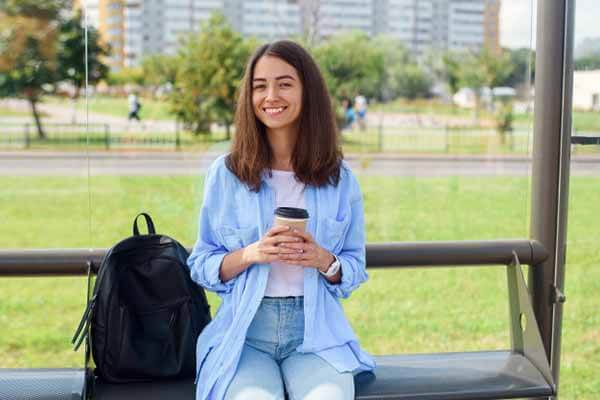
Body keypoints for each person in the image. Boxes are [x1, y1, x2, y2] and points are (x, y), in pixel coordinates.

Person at [187, 40, 375, 400]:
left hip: (316, 336)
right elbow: (200, 263)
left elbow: (353, 267)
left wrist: (324, 261)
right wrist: (252, 253)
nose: (271, 95)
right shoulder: (226, 174)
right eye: (260, 86)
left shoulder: (339, 178)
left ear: (308, 92)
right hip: (244, 336)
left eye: (285, 83)